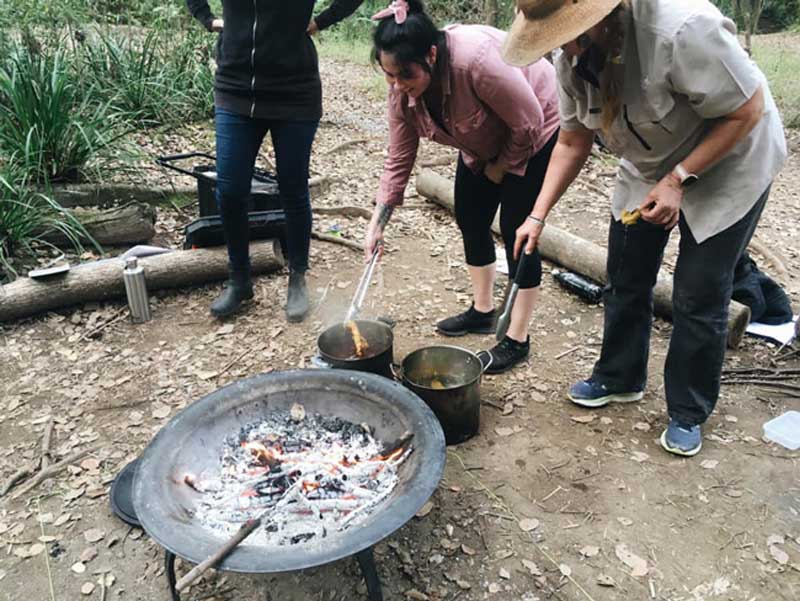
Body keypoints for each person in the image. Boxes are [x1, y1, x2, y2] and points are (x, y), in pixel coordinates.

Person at [505, 0, 787, 456]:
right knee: (626, 272)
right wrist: (537, 215)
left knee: (698, 292)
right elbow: (573, 139)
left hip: (733, 159)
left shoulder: (682, 28)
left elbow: (746, 110)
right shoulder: (570, 57)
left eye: (566, 34)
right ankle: (619, 376)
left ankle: (688, 410)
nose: (562, 49)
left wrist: (679, 180)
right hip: (650, 162)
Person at [364, 0, 560, 374]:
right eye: (389, 75)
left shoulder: (477, 61)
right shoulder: (401, 91)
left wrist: (500, 169)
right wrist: (378, 222)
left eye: (405, 75)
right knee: (470, 215)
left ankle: (517, 339)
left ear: (432, 55)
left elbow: (529, 121)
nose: (398, 86)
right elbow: (399, 157)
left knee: (518, 229)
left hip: (536, 131)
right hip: (479, 141)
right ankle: (483, 311)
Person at [186, 0, 364, 321]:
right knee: (229, 189)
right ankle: (239, 279)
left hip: (295, 92)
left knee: (292, 188)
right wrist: (207, 18)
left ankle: (297, 277)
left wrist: (321, 21)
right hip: (235, 86)